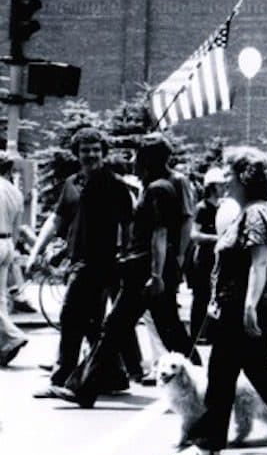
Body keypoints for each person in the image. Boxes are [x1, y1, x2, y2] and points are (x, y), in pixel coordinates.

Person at [172, 147, 267, 455]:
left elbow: (261, 261)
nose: (224, 180)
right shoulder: (250, 212)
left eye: (228, 173)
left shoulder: (256, 213)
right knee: (256, 368)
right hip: (236, 306)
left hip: (241, 307)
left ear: (242, 177)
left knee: (222, 372)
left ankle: (208, 441)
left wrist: (250, 306)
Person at [50, 134, 201, 408]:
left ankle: (83, 388)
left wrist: (156, 275)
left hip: (145, 272)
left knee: (124, 329)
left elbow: (158, 234)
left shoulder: (157, 189)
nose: (133, 162)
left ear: (148, 160)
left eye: (137, 156)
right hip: (148, 271)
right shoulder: (161, 186)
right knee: (157, 331)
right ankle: (83, 388)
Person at [28, 128, 136, 395]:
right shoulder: (72, 184)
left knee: (71, 317)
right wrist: (38, 252)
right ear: (77, 154)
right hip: (77, 260)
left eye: (96, 149)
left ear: (103, 152)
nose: (91, 155)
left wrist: (125, 257)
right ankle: (116, 375)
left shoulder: (115, 185)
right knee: (92, 323)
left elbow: (128, 224)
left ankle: (62, 377)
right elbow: (58, 220)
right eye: (85, 150)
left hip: (102, 263)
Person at [188, 167, 227, 344]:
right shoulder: (202, 208)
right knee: (201, 297)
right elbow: (194, 234)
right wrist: (217, 238)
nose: (224, 187)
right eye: (220, 185)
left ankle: (211, 333)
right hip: (203, 258)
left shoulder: (222, 207)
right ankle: (196, 333)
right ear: (212, 186)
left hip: (217, 258)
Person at [0, 152, 28, 367]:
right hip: (7, 242)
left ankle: (12, 335)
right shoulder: (15, 192)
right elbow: (18, 227)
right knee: (0, 296)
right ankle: (3, 345)